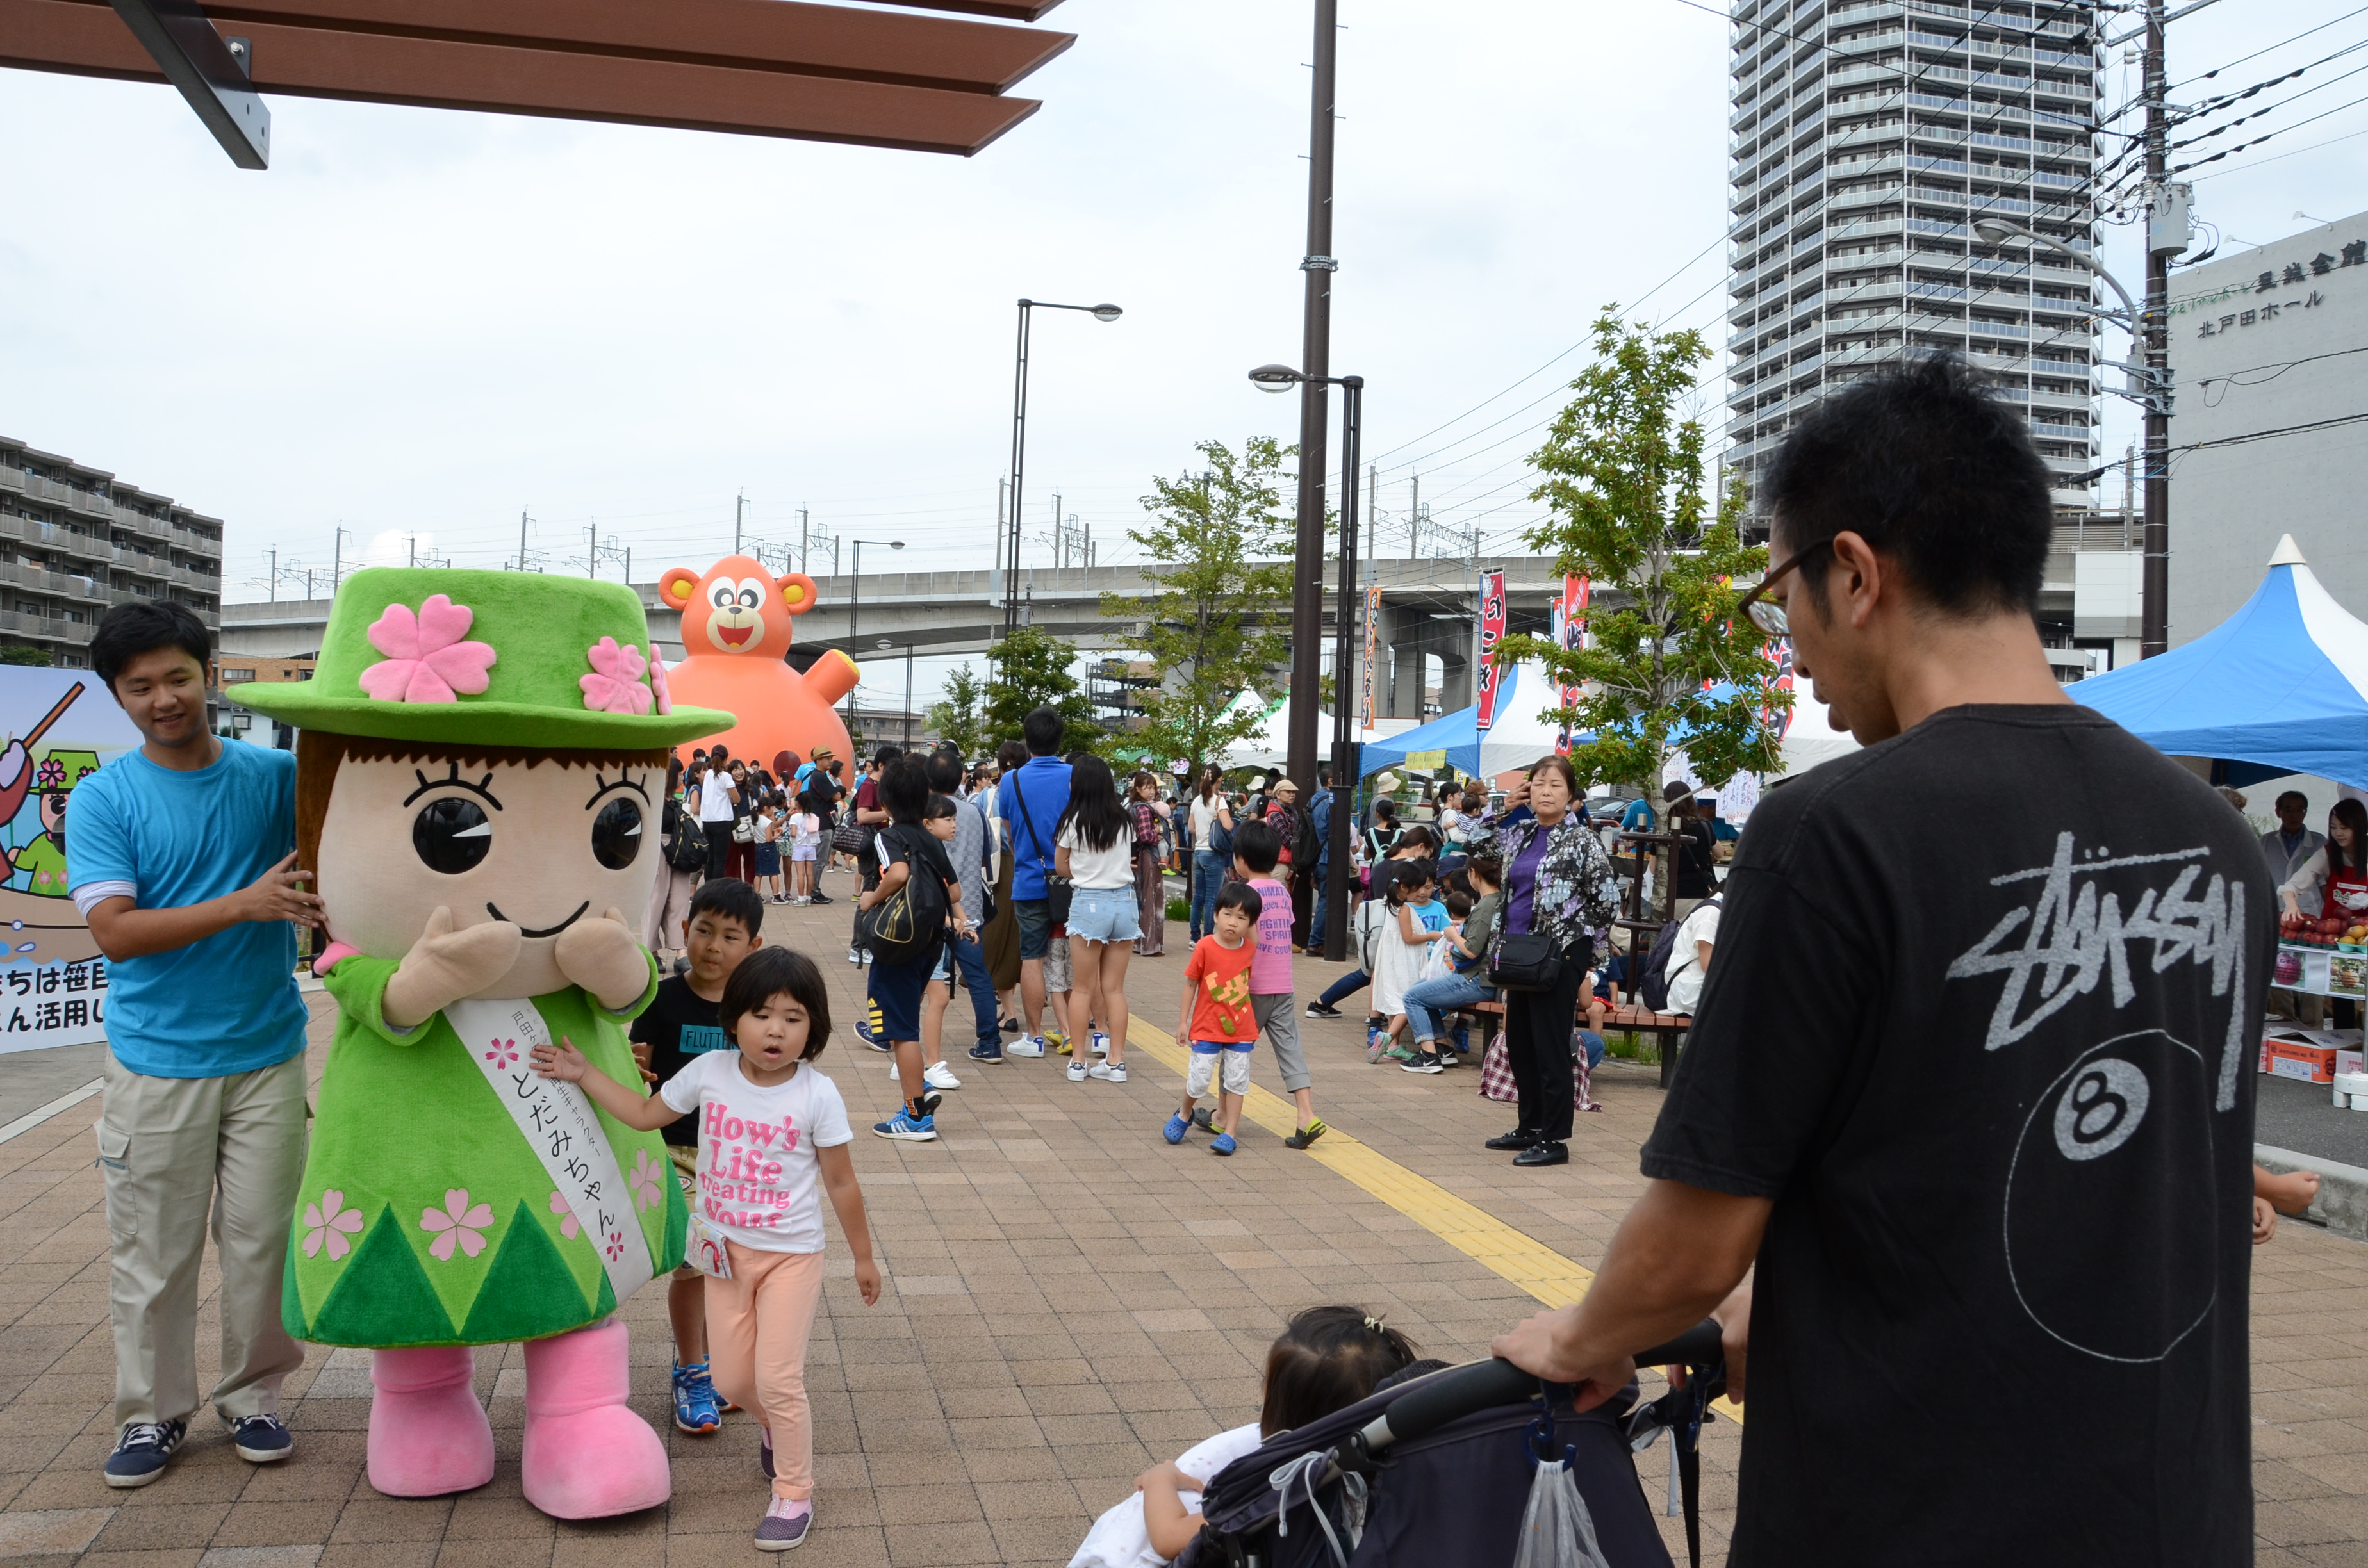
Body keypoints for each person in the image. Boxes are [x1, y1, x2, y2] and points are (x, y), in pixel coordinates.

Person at [1490, 354, 2272, 1562]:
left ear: (1853, 573)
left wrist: (1586, 1335)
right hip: (2171, 1511)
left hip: (1904, 1511)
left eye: (1779, 590)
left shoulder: (1832, 833)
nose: (1788, 641)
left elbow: (1696, 1239)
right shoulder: (2214, 841)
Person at [69, 601, 320, 1487]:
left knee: (261, 1242)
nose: (163, 699)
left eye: (178, 677)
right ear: (118, 697)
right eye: (139, 687)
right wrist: (243, 906)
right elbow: (116, 931)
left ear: (209, 676)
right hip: (156, 1061)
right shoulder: (104, 798)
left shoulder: (275, 779)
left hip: (267, 1053)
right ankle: (152, 1415)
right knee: (156, 1253)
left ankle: (254, 1397)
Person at [533, 946, 880, 1552]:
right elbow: (644, 1115)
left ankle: (794, 1492)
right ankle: (776, 1429)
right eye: (762, 1014)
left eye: (794, 1018)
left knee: (777, 1379)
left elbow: (842, 1182)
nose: (776, 1030)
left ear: (814, 1028)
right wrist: (584, 1074)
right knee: (731, 1379)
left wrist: (863, 1257)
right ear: (735, 1019)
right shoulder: (709, 1073)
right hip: (722, 1253)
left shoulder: (816, 1095)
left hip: (791, 1257)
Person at [1069, 1307, 1418, 1568]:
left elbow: (1167, 1538)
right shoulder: (1402, 1482)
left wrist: (1161, 1479)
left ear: (1281, 1414)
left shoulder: (1279, 1491)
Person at [628, 877, 764, 1438]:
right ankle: (692, 1369)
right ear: (683, 931)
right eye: (703, 931)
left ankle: (722, 1364)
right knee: (695, 1262)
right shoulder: (661, 997)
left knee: (736, 1269)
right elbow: (640, 1069)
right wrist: (627, 1069)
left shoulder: (757, 1006)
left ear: (753, 947)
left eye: (730, 936)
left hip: (740, 1158)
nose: (713, 946)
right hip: (675, 1154)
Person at [1470, 754, 1618, 1168]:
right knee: (1519, 1043)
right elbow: (1475, 846)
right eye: (1538, 783)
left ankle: (1555, 1139)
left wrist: (1578, 942)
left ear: (1571, 795)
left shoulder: (1582, 840)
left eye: (1555, 784)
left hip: (1560, 955)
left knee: (1551, 1045)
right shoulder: (1519, 833)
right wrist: (1505, 808)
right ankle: (1529, 1127)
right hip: (1519, 954)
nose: (1546, 791)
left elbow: (1608, 900)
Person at [861, 756, 965, 1141]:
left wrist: (871, 897)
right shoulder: (929, 838)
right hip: (929, 943)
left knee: (901, 1030)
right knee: (903, 1018)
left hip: (897, 944)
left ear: (885, 804)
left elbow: (899, 873)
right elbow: (954, 891)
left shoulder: (889, 836)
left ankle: (915, 1113)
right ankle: (919, 1092)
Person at [1226, 819, 1328, 1148]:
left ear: (1240, 858)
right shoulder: (1282, 892)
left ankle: (1222, 1119)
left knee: (1235, 1050)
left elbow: (1240, 939)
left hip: (1252, 987)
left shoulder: (1245, 894)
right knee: (1290, 1049)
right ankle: (1306, 1115)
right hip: (1283, 983)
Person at [1056, 754, 1137, 1084]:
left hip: (1089, 902)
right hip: (1125, 903)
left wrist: (1085, 870)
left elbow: (1061, 866)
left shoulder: (1072, 821)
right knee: (1114, 990)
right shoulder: (1125, 819)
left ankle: (1078, 1062)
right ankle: (1115, 1063)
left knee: (1083, 989)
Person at [1167, 880, 1260, 1155]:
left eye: (1242, 918)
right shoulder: (1205, 946)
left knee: (1237, 1081)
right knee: (1199, 1079)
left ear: (1250, 923)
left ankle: (1230, 1132)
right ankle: (1185, 1112)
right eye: (1228, 914)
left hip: (1241, 1029)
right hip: (1206, 1027)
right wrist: (1184, 1022)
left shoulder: (1250, 948)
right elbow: (1190, 985)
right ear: (1216, 914)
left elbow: (1254, 927)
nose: (1233, 923)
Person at [1402, 853, 1504, 1067]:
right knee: (1423, 989)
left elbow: (1471, 951)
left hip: (1476, 979)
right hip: (1487, 978)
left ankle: (1429, 1056)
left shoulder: (1486, 906)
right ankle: (1443, 1047)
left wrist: (1452, 933)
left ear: (1474, 874)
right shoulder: (1500, 901)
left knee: (1413, 996)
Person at [1370, 861, 1450, 1071]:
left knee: (1396, 1000)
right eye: (1416, 889)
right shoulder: (1403, 908)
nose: (1420, 893)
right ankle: (1387, 1038)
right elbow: (1409, 937)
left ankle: (1393, 1046)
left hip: (1393, 958)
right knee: (1407, 999)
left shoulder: (1391, 902)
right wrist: (1431, 936)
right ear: (1404, 887)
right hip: (1403, 960)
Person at [846, 746, 900, 964]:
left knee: (874, 895)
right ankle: (858, 947)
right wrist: (891, 812)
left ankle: (865, 945)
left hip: (878, 846)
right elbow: (863, 815)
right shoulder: (869, 786)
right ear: (882, 766)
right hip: (870, 848)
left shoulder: (879, 786)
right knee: (868, 896)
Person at [645, 755, 698, 963]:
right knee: (655, 902)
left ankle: (681, 953)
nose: (683, 777)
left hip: (679, 854)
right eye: (680, 773)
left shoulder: (673, 801)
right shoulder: (652, 799)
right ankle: (651, 951)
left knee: (679, 903)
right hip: (656, 852)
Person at [1187, 765, 1235, 942]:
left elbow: (1191, 828)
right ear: (1220, 779)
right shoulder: (1219, 801)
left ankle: (1194, 938)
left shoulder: (1196, 801)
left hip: (1198, 852)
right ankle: (1208, 937)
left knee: (1198, 896)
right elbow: (1228, 825)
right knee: (1212, 898)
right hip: (1213, 854)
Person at [1128, 771, 1171, 958]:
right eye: (1148, 787)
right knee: (1153, 899)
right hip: (1148, 855)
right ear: (1138, 789)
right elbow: (1145, 835)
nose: (1152, 791)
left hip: (1138, 856)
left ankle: (1139, 943)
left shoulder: (1133, 807)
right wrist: (1158, 835)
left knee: (1142, 899)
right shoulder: (1144, 809)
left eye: (1153, 787)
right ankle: (1151, 945)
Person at [1661, 892, 1720, 1015]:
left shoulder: (1719, 910)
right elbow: (1708, 966)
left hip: (1700, 988)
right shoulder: (1711, 913)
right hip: (1691, 993)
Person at [1663, 785, 1717, 919]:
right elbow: (1720, 853)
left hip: (1673, 895)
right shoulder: (1704, 825)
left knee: (1673, 936)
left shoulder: (1664, 830)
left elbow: (1654, 868)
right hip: (1701, 894)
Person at [2262, 788, 2325, 894]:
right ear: (2278, 812)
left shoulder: (2319, 842)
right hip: (2274, 906)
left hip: (2308, 907)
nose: (2294, 815)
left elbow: (2324, 881)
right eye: (2288, 810)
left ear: (2305, 813)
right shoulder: (2265, 842)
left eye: (2299, 810)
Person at [698, 743, 740, 885]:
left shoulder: (708, 775)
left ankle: (708, 887)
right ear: (726, 759)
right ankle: (717, 889)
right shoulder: (726, 776)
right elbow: (737, 798)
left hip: (707, 820)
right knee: (720, 860)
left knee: (711, 858)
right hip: (721, 820)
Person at [752, 795, 785, 903]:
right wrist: (778, 835)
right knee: (774, 872)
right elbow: (769, 839)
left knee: (759, 873)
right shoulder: (768, 822)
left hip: (758, 847)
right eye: (772, 807)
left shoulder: (756, 819)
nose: (773, 810)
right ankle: (776, 895)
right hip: (768, 847)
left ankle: (756, 895)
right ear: (766, 808)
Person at [789, 794, 821, 904]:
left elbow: (793, 833)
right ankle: (808, 898)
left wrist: (790, 833)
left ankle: (801, 898)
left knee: (801, 874)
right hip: (811, 846)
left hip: (799, 846)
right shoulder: (813, 816)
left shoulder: (795, 817)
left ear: (798, 803)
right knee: (810, 874)